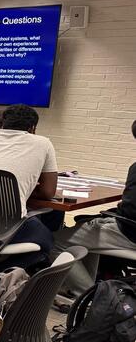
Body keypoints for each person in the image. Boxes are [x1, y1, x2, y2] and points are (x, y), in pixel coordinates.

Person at [0, 104, 58, 272]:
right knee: (48, 240)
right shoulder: (43, 143)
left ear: (3, 123)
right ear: (32, 128)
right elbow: (48, 192)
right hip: (8, 226)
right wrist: (24, 187)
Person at [52, 120, 136, 296]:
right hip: (130, 229)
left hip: (130, 234)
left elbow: (130, 211)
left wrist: (118, 210)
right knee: (85, 226)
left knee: (54, 242)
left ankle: (91, 296)